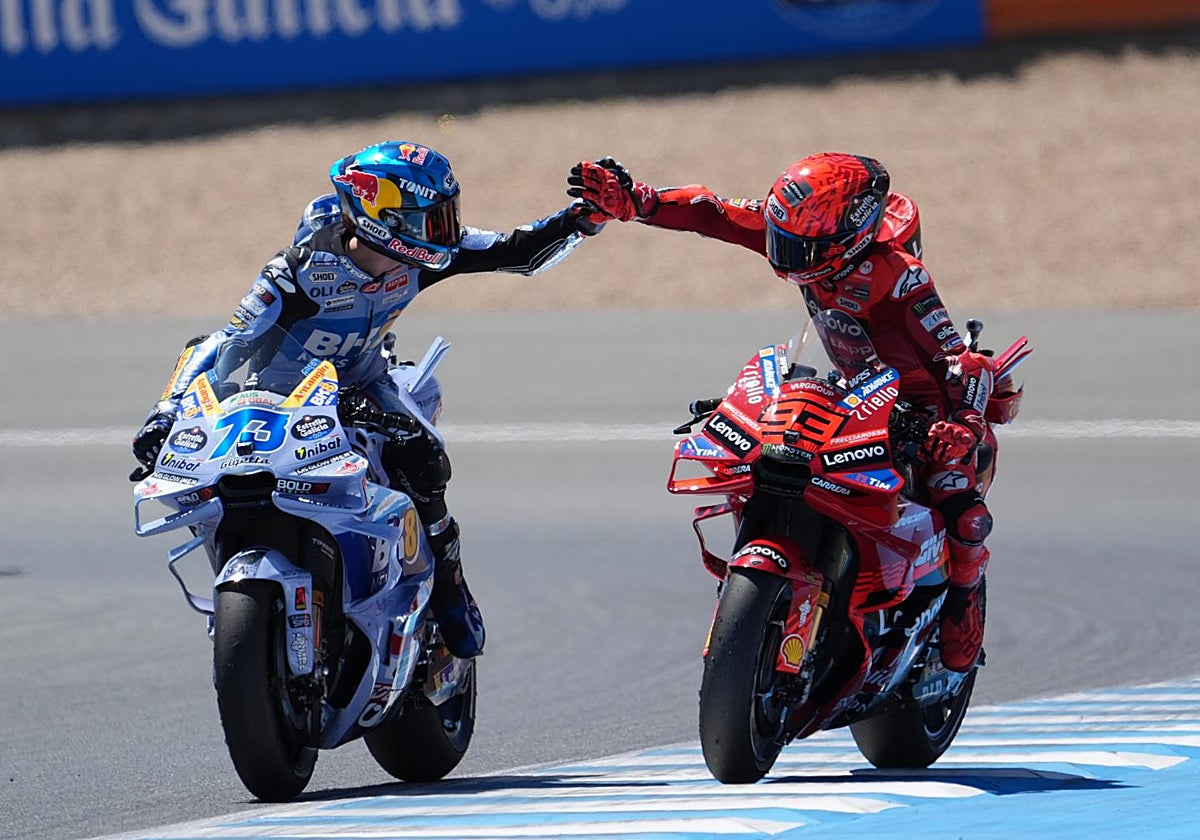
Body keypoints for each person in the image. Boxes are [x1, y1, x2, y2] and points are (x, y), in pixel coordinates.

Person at [132, 140, 606, 659]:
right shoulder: (296, 271)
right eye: (432, 218)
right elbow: (224, 342)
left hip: (365, 385)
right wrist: (167, 412)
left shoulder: (422, 257)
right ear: (381, 217)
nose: (445, 232)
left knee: (423, 457)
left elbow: (520, 252)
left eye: (446, 217)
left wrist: (585, 218)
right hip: (279, 402)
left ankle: (450, 586)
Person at [568, 153, 992, 672]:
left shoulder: (901, 278)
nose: (780, 253)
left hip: (920, 412)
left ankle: (963, 609)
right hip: (849, 384)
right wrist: (639, 202)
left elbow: (961, 360)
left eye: (796, 247)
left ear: (849, 240)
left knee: (960, 505)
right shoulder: (795, 231)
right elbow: (713, 213)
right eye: (777, 237)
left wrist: (962, 426)